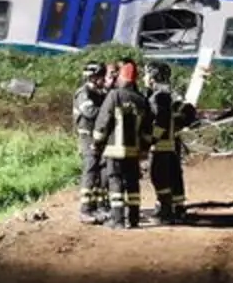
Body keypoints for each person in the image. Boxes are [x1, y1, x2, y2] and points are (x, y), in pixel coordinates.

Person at [92, 62, 152, 229]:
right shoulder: (142, 100)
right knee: (133, 183)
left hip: (114, 150)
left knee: (115, 182)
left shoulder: (114, 96)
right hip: (134, 151)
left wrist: (96, 143)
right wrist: (145, 149)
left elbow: (103, 122)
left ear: (121, 78)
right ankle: (133, 219)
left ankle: (117, 220)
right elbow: (148, 130)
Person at [143, 61, 188, 224]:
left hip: (160, 145)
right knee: (174, 175)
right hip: (172, 142)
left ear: (153, 76)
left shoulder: (157, 96)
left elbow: (160, 121)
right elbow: (186, 114)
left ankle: (165, 211)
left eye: (146, 74)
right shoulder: (172, 94)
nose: (144, 77)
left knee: (159, 177)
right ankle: (178, 207)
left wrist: (150, 139)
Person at [74, 62, 109, 224]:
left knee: (100, 172)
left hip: (98, 137)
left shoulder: (100, 93)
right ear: (93, 78)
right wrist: (109, 113)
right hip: (87, 137)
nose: (104, 80)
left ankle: (98, 206)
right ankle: (85, 210)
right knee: (90, 171)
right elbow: (90, 112)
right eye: (102, 77)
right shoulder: (83, 93)